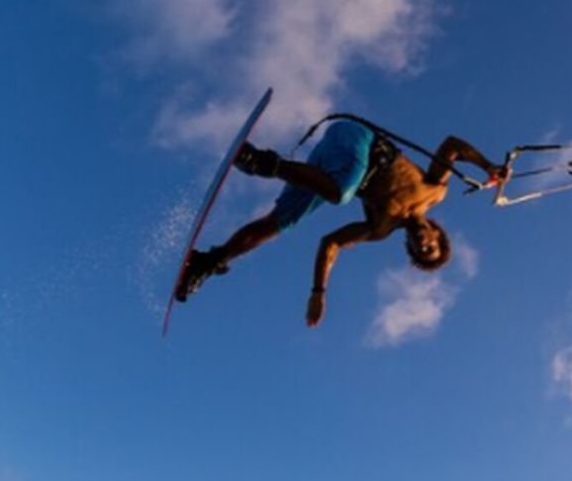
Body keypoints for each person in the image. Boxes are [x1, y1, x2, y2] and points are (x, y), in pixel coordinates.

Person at [174, 118, 503, 326]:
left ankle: (208, 261)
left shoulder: (379, 228)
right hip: (356, 138)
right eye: (431, 245)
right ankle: (260, 161)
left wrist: (319, 291)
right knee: (343, 194)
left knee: (280, 223)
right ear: (437, 233)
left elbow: (330, 244)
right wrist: (489, 167)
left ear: (410, 248)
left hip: (329, 168)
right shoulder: (435, 191)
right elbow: (453, 146)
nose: (423, 243)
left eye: (421, 251)